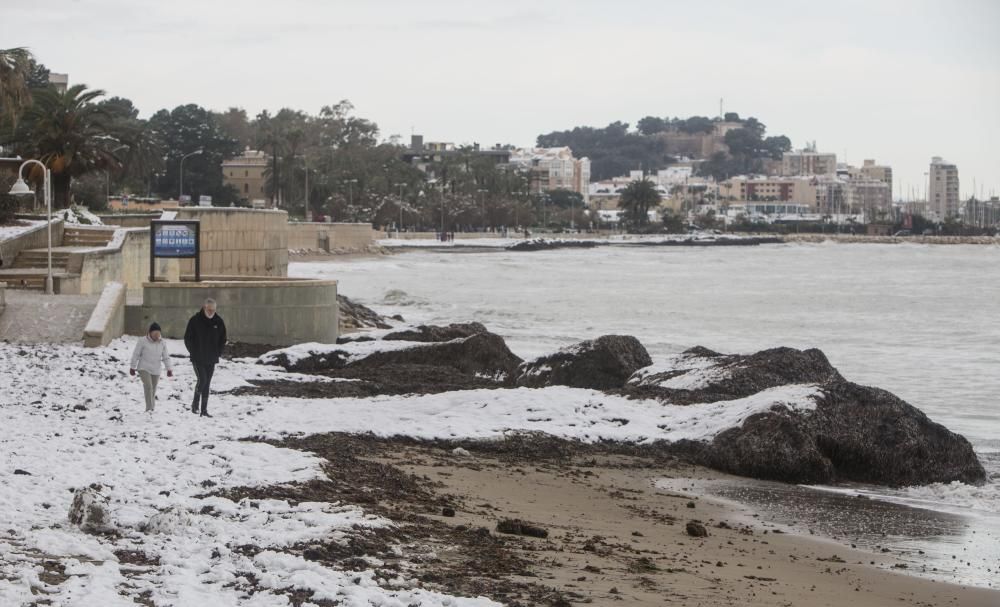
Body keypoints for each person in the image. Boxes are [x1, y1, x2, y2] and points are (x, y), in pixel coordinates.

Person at [183, 298, 227, 417]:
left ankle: (204, 410)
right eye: (209, 309)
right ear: (204, 307)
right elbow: (188, 338)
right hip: (198, 358)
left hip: (211, 358)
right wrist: (193, 352)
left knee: (207, 383)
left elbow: (223, 339)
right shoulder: (195, 320)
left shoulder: (218, 322)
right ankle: (195, 403)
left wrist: (218, 352)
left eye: (213, 310)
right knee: (202, 379)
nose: (211, 312)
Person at [129, 322, 173, 413]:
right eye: (155, 333)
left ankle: (150, 408)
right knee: (148, 386)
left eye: (158, 333)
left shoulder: (162, 343)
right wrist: (132, 367)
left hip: (156, 369)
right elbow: (136, 354)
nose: (157, 335)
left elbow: (166, 357)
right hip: (143, 368)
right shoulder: (142, 341)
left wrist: (169, 369)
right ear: (150, 333)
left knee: (153, 390)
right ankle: (150, 409)